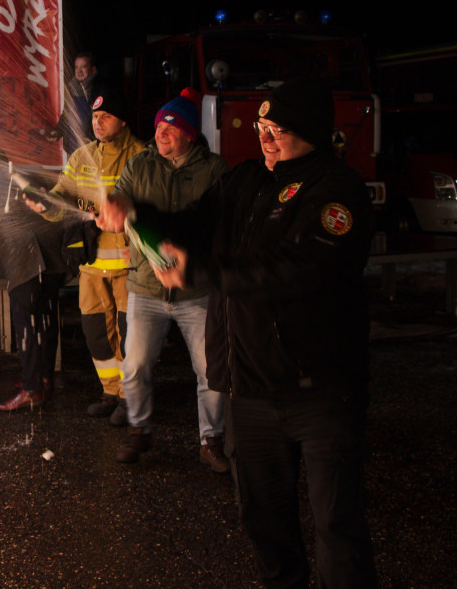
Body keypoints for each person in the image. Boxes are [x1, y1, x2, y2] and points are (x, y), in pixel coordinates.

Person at [97, 78, 377, 587]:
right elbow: (193, 223)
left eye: (279, 130)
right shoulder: (246, 179)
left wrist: (202, 271)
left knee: (337, 528)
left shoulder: (336, 190)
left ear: (312, 129)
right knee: (265, 525)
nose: (266, 140)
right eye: (262, 128)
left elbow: (297, 269)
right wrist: (137, 215)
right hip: (251, 390)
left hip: (319, 391)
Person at [103, 87, 230, 471]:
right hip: (146, 286)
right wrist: (115, 205)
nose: (161, 134)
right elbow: (121, 196)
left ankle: (211, 440)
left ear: (189, 134)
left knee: (210, 369)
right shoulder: (140, 165)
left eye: (170, 129)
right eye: (159, 127)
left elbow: (220, 226)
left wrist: (196, 261)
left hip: (196, 290)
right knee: (135, 365)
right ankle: (138, 430)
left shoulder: (214, 170)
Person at [28, 84, 145, 424]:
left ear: (122, 121)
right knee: (97, 335)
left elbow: (149, 204)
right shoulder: (81, 157)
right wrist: (44, 203)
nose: (98, 122)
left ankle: (131, 399)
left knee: (130, 337)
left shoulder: (140, 155)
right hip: (91, 267)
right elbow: (62, 197)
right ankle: (111, 392)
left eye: (105, 116)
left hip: (129, 268)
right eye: (94, 117)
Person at [0, 147, 69, 410]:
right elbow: (66, 197)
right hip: (53, 258)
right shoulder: (31, 170)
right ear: (7, 161)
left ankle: (32, 389)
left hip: (22, 262)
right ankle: (43, 377)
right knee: (46, 318)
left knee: (26, 326)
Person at [60, 51, 99, 156]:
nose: (79, 71)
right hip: (72, 150)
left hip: (91, 150)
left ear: (93, 69)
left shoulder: (98, 91)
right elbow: (66, 116)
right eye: (77, 67)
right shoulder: (71, 90)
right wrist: (58, 131)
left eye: (83, 67)